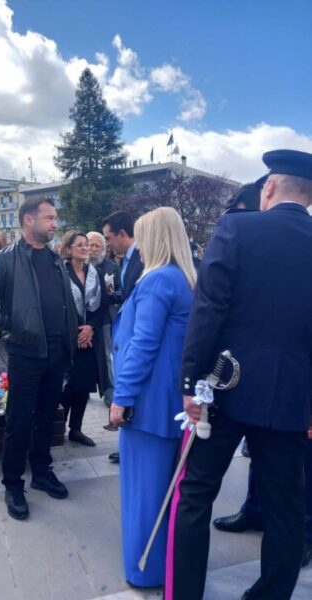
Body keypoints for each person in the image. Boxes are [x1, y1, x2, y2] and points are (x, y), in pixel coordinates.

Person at [167, 149, 312, 600]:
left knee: (195, 495)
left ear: (269, 187)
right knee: (286, 508)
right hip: (291, 397)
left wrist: (191, 384)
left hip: (225, 388)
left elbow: (208, 310)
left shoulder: (236, 229)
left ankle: (185, 594)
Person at [0, 197, 78, 521]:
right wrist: (14, 325)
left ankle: (42, 472)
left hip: (56, 352)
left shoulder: (55, 258)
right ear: (28, 220)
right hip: (26, 354)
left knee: (46, 417)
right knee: (18, 422)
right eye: (49, 218)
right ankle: (13, 485)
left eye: (55, 218)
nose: (55, 223)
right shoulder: (5, 259)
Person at [109, 207, 195, 587]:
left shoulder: (157, 280)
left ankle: (144, 571)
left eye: (142, 237)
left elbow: (142, 345)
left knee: (144, 494)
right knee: (163, 491)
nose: (139, 246)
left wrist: (122, 396)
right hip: (168, 403)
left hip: (147, 404)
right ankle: (162, 566)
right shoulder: (183, 279)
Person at [61, 231, 109, 447]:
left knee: (83, 387)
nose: (85, 248)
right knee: (66, 387)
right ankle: (58, 427)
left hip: (89, 339)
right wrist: (77, 333)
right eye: (79, 245)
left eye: (86, 244)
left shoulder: (95, 273)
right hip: (68, 340)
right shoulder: (61, 273)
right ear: (68, 249)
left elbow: (103, 305)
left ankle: (76, 429)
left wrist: (90, 328)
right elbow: (59, 307)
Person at [103, 210, 143, 463]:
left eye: (108, 238)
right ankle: (127, 444)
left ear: (122, 234)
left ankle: (132, 445)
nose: (107, 244)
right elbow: (127, 295)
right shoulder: (125, 261)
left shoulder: (141, 259)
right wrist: (110, 296)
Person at [87, 231, 120, 407]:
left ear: (103, 249)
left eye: (96, 245)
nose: (92, 249)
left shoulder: (112, 267)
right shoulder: (79, 265)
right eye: (90, 245)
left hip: (105, 317)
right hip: (84, 318)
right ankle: (84, 387)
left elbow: (121, 291)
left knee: (106, 355)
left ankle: (110, 390)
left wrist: (110, 295)